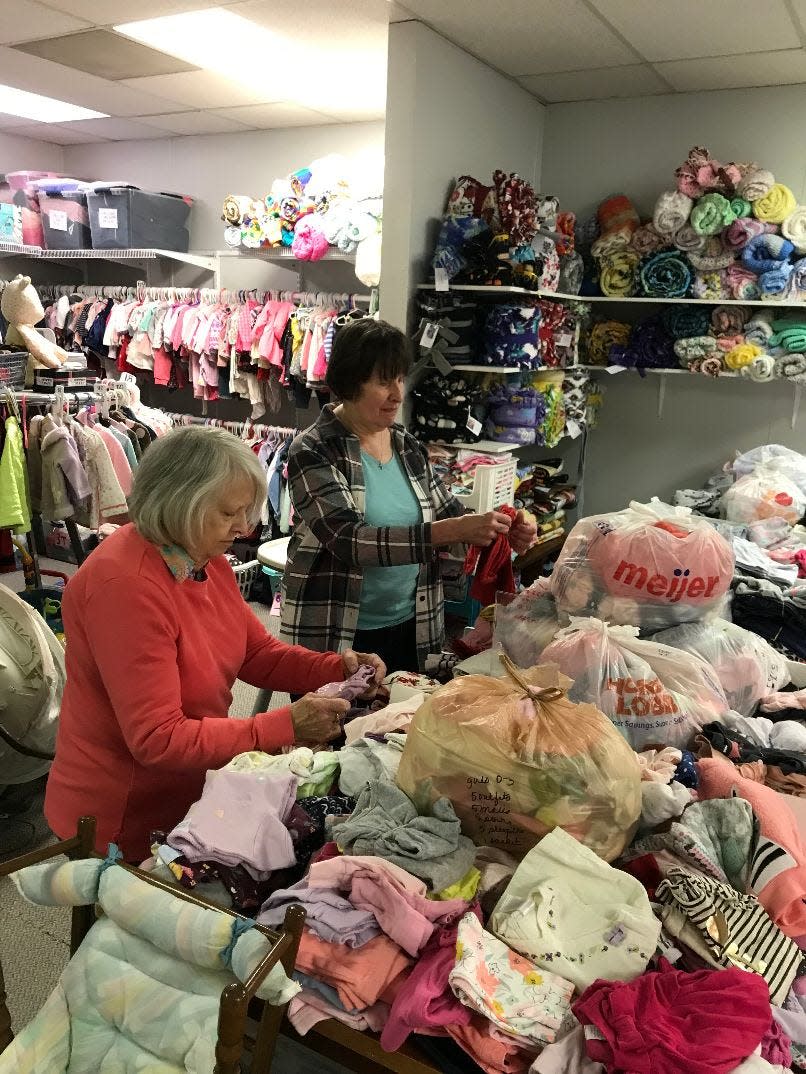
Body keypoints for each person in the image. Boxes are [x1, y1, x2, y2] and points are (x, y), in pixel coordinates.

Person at [44, 426, 384, 862]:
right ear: (181, 505)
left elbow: (256, 653)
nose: (244, 528)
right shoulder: (124, 586)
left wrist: (336, 669)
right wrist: (283, 727)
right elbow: (157, 738)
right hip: (121, 810)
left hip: (184, 789)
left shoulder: (202, 560)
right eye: (229, 514)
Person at [281, 318, 537, 672]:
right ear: (350, 381)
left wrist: (500, 527)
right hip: (336, 628)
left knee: (402, 720)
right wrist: (452, 531)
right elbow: (349, 541)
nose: (398, 395)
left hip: (413, 623)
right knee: (337, 724)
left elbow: (449, 511)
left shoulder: (406, 445)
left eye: (400, 378)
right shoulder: (313, 449)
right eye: (383, 381)